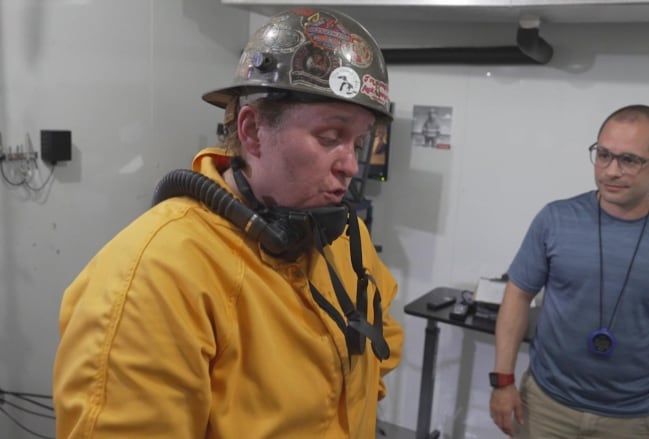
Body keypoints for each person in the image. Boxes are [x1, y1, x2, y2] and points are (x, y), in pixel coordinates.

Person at [52, 8, 403, 439]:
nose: (350, 165)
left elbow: (381, 339)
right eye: (330, 137)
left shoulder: (348, 238)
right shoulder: (155, 278)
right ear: (253, 131)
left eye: (361, 142)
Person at [489, 104, 649, 439]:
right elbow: (518, 293)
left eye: (629, 160)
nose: (610, 171)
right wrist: (503, 380)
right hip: (544, 406)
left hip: (629, 420)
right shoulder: (555, 220)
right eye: (603, 155)